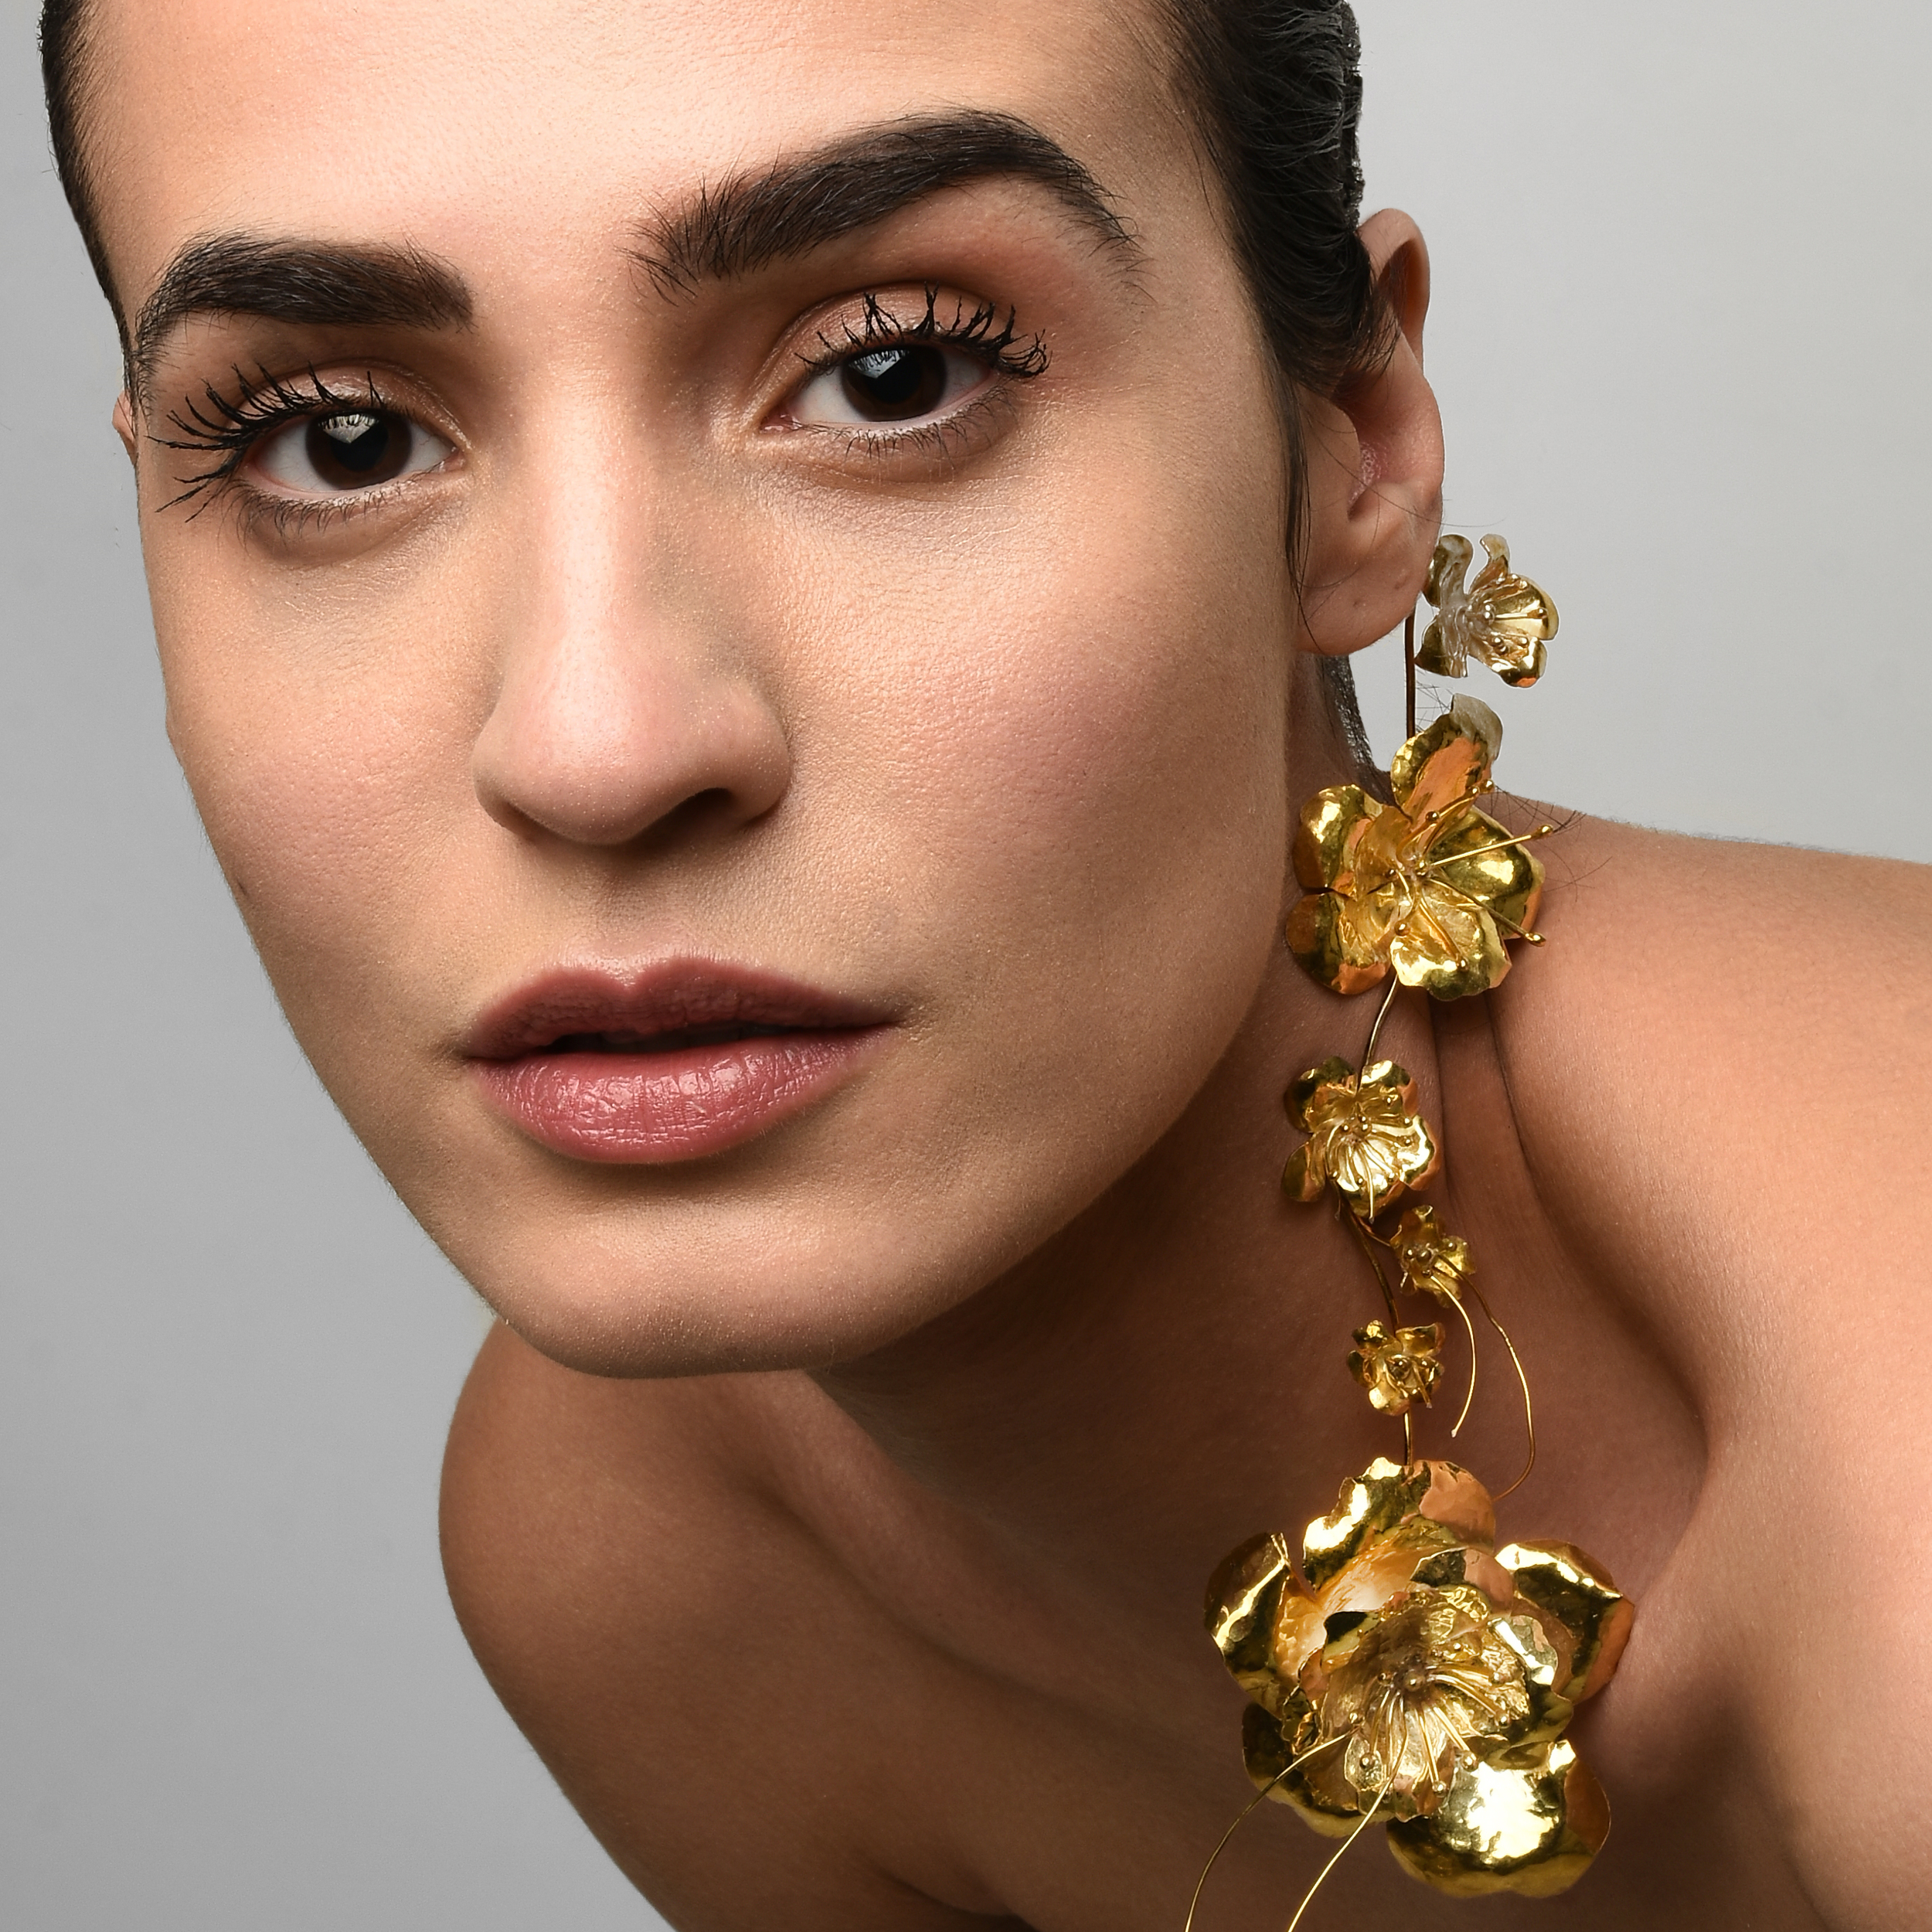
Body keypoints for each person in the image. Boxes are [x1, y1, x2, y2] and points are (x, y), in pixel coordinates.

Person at [36, 0, 1930, 1925]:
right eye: (335, 440)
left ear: (1349, 443)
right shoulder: (648, 1566)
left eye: (891, 376)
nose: (595, 744)